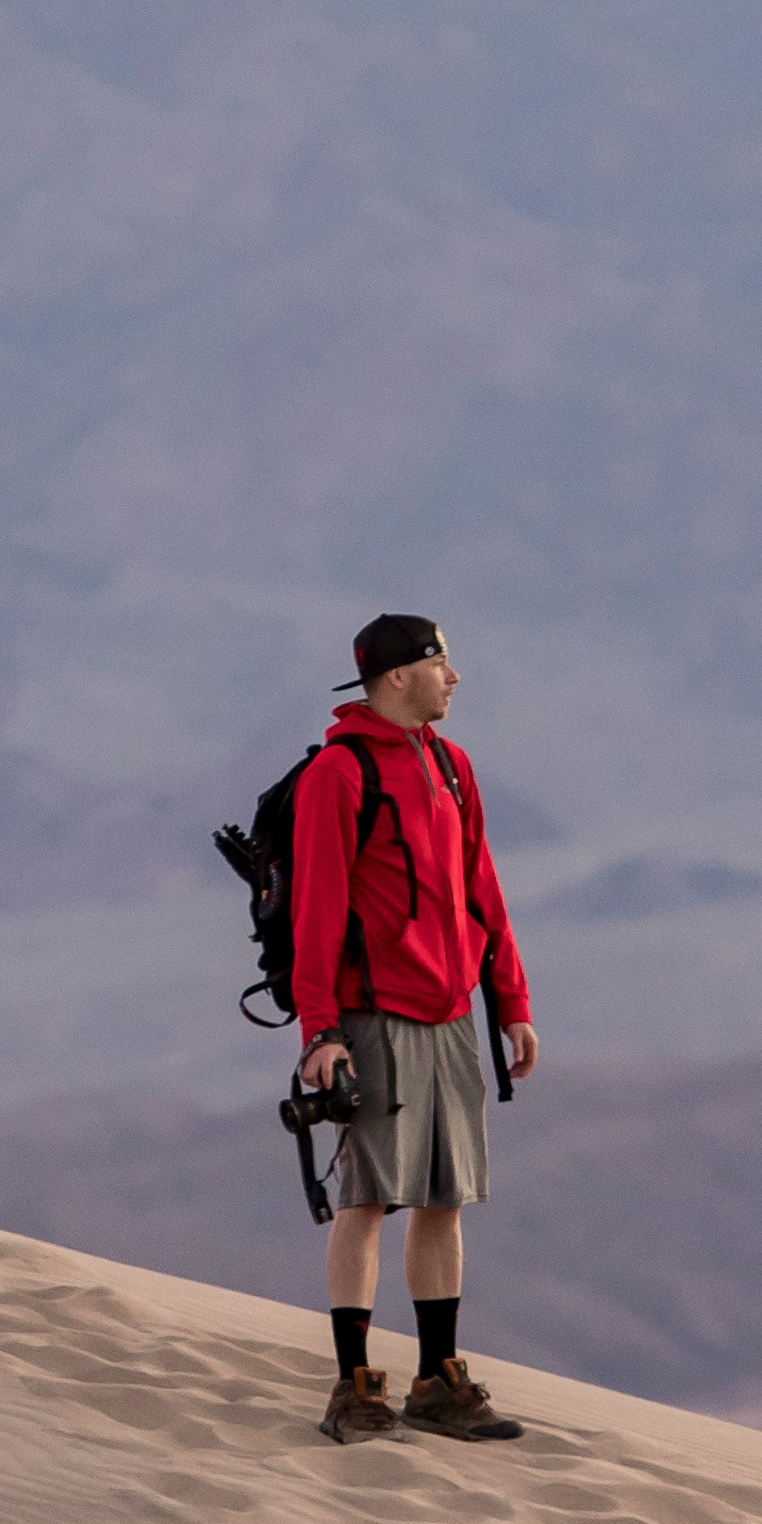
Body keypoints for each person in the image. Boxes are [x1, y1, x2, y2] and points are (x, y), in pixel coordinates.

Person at [287, 613, 536, 1443]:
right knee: (369, 1199)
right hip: (373, 1016)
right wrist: (320, 1034)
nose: (454, 676)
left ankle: (437, 1379)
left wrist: (511, 1003)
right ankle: (355, 1387)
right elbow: (317, 913)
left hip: (450, 1013)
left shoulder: (451, 765)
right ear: (397, 677)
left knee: (444, 1197)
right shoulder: (340, 772)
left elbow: (483, 890)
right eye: (439, 662)